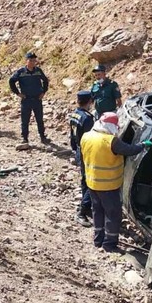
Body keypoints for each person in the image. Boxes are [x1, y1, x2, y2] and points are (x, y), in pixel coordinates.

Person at [80, 112, 152, 252]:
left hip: (92, 184)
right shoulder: (110, 141)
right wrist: (143, 145)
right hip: (108, 185)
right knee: (113, 214)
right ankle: (109, 244)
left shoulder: (86, 136)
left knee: (98, 211)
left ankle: (98, 240)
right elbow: (129, 150)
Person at [9, 52, 50, 144]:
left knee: (39, 119)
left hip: (37, 99)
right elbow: (11, 81)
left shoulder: (38, 71)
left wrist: (43, 92)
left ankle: (43, 137)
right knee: (25, 120)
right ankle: (25, 138)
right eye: (30, 60)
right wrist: (18, 93)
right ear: (26, 61)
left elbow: (45, 81)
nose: (32, 62)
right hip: (26, 99)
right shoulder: (21, 72)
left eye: (34, 60)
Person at [69, 90, 96, 227]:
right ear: (90, 102)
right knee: (92, 182)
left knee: (85, 180)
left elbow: (72, 135)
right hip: (87, 151)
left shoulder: (74, 114)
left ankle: (87, 207)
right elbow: (90, 138)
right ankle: (82, 211)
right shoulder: (87, 118)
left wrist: (75, 150)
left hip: (79, 150)